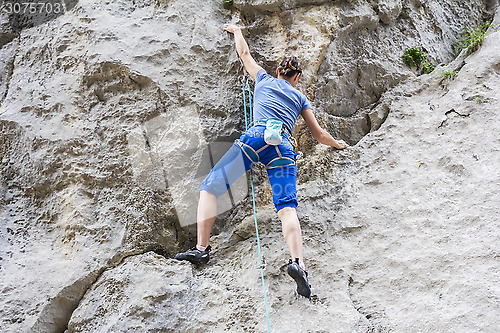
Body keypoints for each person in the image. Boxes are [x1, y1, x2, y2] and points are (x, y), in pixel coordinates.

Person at [175, 23, 349, 298]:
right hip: (283, 146)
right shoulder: (300, 97)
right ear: (297, 77)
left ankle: (201, 250)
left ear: (279, 72)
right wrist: (338, 144)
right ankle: (297, 263)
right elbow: (318, 134)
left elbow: (244, 55)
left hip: (256, 137)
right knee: (286, 207)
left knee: (210, 187)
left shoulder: (265, 79)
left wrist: (237, 31)